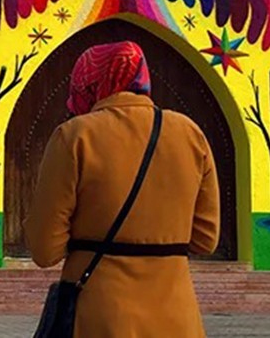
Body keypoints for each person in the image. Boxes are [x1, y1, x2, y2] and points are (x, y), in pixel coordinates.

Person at [25, 41, 220, 338]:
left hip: (99, 314)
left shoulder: (75, 136)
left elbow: (44, 250)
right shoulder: (191, 134)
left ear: (89, 81)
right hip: (177, 317)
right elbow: (206, 240)